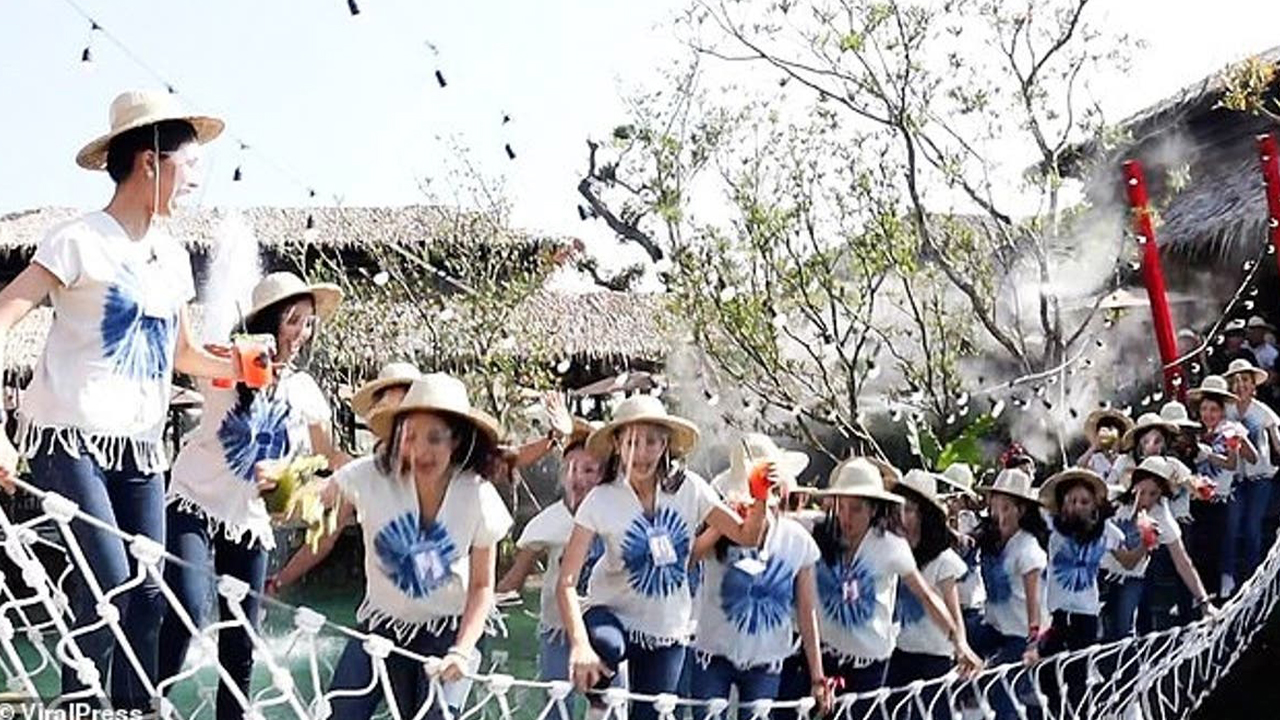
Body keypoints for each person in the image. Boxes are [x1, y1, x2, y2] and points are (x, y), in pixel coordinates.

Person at [0, 90, 238, 709]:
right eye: (190, 164)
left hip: (140, 453)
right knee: (107, 579)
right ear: (150, 160)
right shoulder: (77, 239)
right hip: (67, 440)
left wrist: (236, 365)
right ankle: (80, 703)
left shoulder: (172, 255)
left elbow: (183, 356)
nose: (196, 180)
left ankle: (133, 708)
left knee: (153, 595)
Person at [157, 272, 348, 718]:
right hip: (193, 499)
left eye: (308, 322)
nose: (302, 332)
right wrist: (223, 360)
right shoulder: (228, 364)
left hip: (248, 519)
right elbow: (181, 360)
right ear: (268, 321)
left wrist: (293, 476)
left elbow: (327, 459)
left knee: (242, 635)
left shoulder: (304, 391)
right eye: (292, 320)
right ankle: (149, 704)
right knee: (185, 602)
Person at [298, 375, 512, 719]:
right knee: (340, 713)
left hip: (449, 630)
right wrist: (275, 485)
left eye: (434, 438)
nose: (421, 451)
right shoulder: (368, 476)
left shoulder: (476, 493)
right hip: (383, 623)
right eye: (410, 436)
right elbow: (311, 498)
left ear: (456, 440)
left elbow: (483, 586)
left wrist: (462, 649)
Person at [556, 396, 767, 720]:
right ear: (617, 444)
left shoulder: (691, 489)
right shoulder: (601, 499)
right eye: (631, 442)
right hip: (612, 616)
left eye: (651, 442)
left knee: (651, 715)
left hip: (666, 627)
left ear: (665, 444)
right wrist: (580, 645)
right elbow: (567, 581)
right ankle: (598, 704)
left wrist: (762, 497)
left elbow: (746, 535)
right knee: (605, 646)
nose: (641, 453)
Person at [805, 459, 980, 705]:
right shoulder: (817, 531)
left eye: (856, 509)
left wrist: (958, 642)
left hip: (869, 665)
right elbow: (774, 523)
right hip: (826, 657)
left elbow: (927, 596)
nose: (846, 517)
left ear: (873, 509)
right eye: (841, 506)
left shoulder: (890, 547)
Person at [692, 434, 829, 720]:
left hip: (767, 661)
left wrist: (818, 676)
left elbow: (807, 611)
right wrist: (722, 523)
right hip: (713, 656)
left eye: (766, 496)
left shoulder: (797, 540)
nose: (760, 505)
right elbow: (688, 559)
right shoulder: (719, 534)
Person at [267, 361, 420, 597]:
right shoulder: (362, 474)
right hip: (386, 605)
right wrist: (279, 580)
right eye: (390, 416)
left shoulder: (450, 469)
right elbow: (325, 537)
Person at [495, 418, 617, 706]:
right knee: (555, 704)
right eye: (572, 469)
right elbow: (515, 579)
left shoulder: (618, 515)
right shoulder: (548, 522)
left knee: (612, 703)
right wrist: (483, 604)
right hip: (558, 631)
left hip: (607, 628)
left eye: (589, 470)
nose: (579, 477)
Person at [1099, 457, 1212, 640]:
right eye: (1142, 492)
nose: (1146, 499)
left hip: (1131, 576)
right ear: (1133, 486)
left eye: (1154, 494)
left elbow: (1182, 562)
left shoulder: (1161, 516)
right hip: (1099, 571)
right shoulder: (1114, 500)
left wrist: (1204, 602)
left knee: (1123, 633)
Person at [887, 470, 972, 703]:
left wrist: (961, 646)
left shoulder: (943, 560)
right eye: (899, 508)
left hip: (934, 659)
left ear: (925, 515)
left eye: (910, 509)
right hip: (900, 652)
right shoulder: (893, 553)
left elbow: (954, 611)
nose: (903, 516)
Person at [1189, 375, 1256, 597]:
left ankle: (1215, 597)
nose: (1208, 414)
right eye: (1204, 409)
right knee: (1196, 553)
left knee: (1214, 552)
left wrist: (1212, 453)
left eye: (1213, 410)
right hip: (1196, 499)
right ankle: (1199, 597)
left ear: (1222, 410)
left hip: (1219, 500)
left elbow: (1236, 461)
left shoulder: (1230, 429)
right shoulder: (1195, 431)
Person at [1223, 359, 1280, 585]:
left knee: (1252, 527)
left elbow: (1277, 442)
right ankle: (1226, 576)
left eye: (1244, 380)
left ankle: (1252, 580)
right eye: (1235, 381)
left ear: (1253, 385)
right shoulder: (1227, 411)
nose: (1240, 385)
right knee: (1231, 525)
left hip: (1260, 477)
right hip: (1235, 476)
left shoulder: (1263, 412)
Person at [1076, 409, 1134, 479]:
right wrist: (1094, 446)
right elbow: (1080, 467)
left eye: (1110, 428)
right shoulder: (1096, 458)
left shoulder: (1126, 459)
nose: (1105, 432)